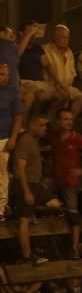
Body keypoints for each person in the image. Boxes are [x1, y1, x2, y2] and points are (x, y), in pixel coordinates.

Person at [50, 109, 82, 259]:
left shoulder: (77, 138)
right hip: (56, 178)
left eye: (71, 119)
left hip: (70, 181)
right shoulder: (55, 136)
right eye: (65, 119)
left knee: (73, 213)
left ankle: (74, 248)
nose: (69, 122)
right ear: (59, 121)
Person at [13, 118, 62, 265]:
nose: (45, 128)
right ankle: (27, 255)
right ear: (31, 126)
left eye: (45, 125)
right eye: (41, 125)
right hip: (25, 184)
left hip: (35, 184)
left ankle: (31, 210)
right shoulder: (26, 141)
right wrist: (27, 191)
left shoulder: (34, 140)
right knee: (24, 221)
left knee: (55, 204)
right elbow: (20, 168)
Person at [0, 63, 23, 222]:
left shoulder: (12, 92)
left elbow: (18, 116)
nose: (6, 77)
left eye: (7, 74)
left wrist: (13, 137)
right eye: (2, 74)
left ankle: (0, 208)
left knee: (1, 174)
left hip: (3, 138)